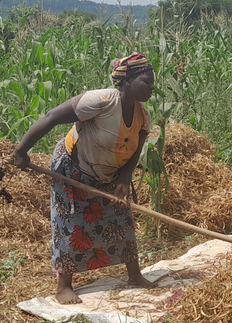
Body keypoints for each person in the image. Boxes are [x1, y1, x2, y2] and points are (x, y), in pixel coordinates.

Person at [12, 53, 157, 304]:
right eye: (146, 81)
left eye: (153, 81)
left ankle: (134, 275)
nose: (152, 87)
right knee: (71, 223)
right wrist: (20, 152)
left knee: (121, 219)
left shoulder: (143, 116)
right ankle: (63, 287)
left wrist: (124, 178)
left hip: (109, 173)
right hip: (72, 169)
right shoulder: (99, 101)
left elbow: (134, 152)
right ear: (127, 81)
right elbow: (51, 117)